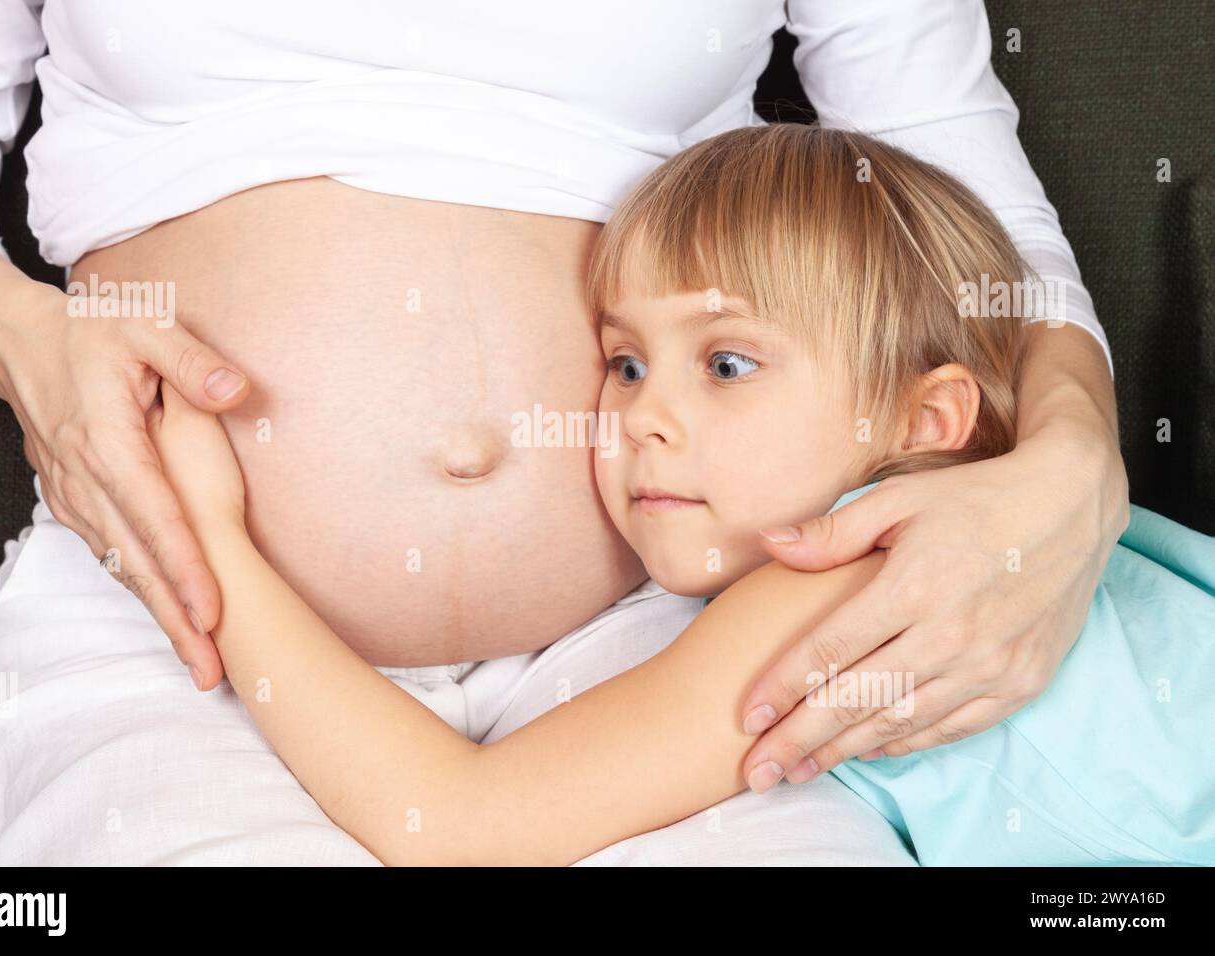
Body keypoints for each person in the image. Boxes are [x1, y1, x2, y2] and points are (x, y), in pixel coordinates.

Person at [0, 2, 1124, 864]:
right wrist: (26, 340)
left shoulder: (773, 616)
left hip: (665, 631)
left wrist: (1071, 468)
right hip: (170, 619)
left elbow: (972, 207)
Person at [145, 122, 1215, 867]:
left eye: (727, 364)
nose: (641, 418)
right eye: (623, 363)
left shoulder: (838, 581)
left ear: (921, 421)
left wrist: (217, 541)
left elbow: (455, 823)